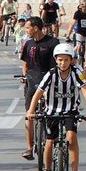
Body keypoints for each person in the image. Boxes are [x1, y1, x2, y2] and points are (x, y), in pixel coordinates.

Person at [28, 42, 86, 171]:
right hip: (52, 112)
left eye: (66, 60)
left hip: (70, 111)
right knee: (49, 141)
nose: (63, 63)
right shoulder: (51, 74)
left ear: (71, 60)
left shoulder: (77, 73)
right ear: (55, 60)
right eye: (60, 60)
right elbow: (39, 92)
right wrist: (30, 111)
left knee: (71, 138)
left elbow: (85, 91)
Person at [18, 16, 60, 160]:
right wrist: (25, 76)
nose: (26, 30)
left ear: (36, 28)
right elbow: (25, 64)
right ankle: (29, 148)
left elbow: (58, 64)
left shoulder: (53, 42)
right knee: (29, 115)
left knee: (54, 113)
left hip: (49, 80)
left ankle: (54, 138)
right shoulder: (28, 43)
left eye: (28, 27)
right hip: (32, 82)